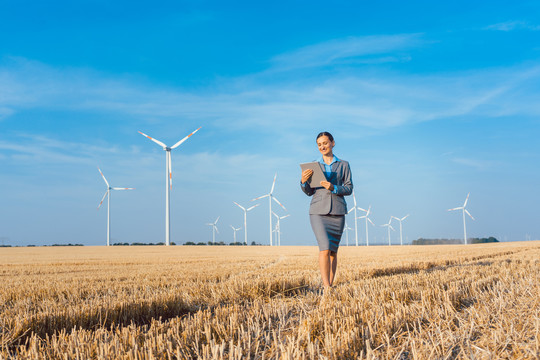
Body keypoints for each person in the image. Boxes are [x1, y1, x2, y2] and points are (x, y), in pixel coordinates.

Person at [300, 131, 353, 291]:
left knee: (333, 252)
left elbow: (349, 188)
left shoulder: (344, 164)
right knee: (324, 248)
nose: (322, 146)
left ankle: (331, 283)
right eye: (319, 144)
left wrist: (334, 187)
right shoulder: (313, 165)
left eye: (325, 143)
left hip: (337, 210)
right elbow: (309, 191)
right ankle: (326, 287)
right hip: (318, 211)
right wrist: (303, 182)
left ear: (333, 143)